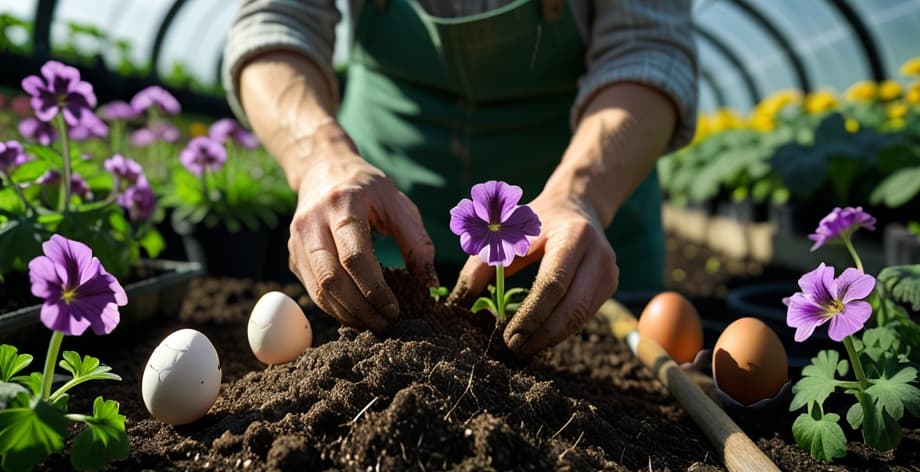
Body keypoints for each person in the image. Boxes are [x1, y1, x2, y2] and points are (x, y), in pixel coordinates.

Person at [223, 0, 697, 356]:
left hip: (571, 230)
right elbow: (276, 18)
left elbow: (646, 48)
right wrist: (319, 155)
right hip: (384, 208)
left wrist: (581, 195)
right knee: (377, 321)